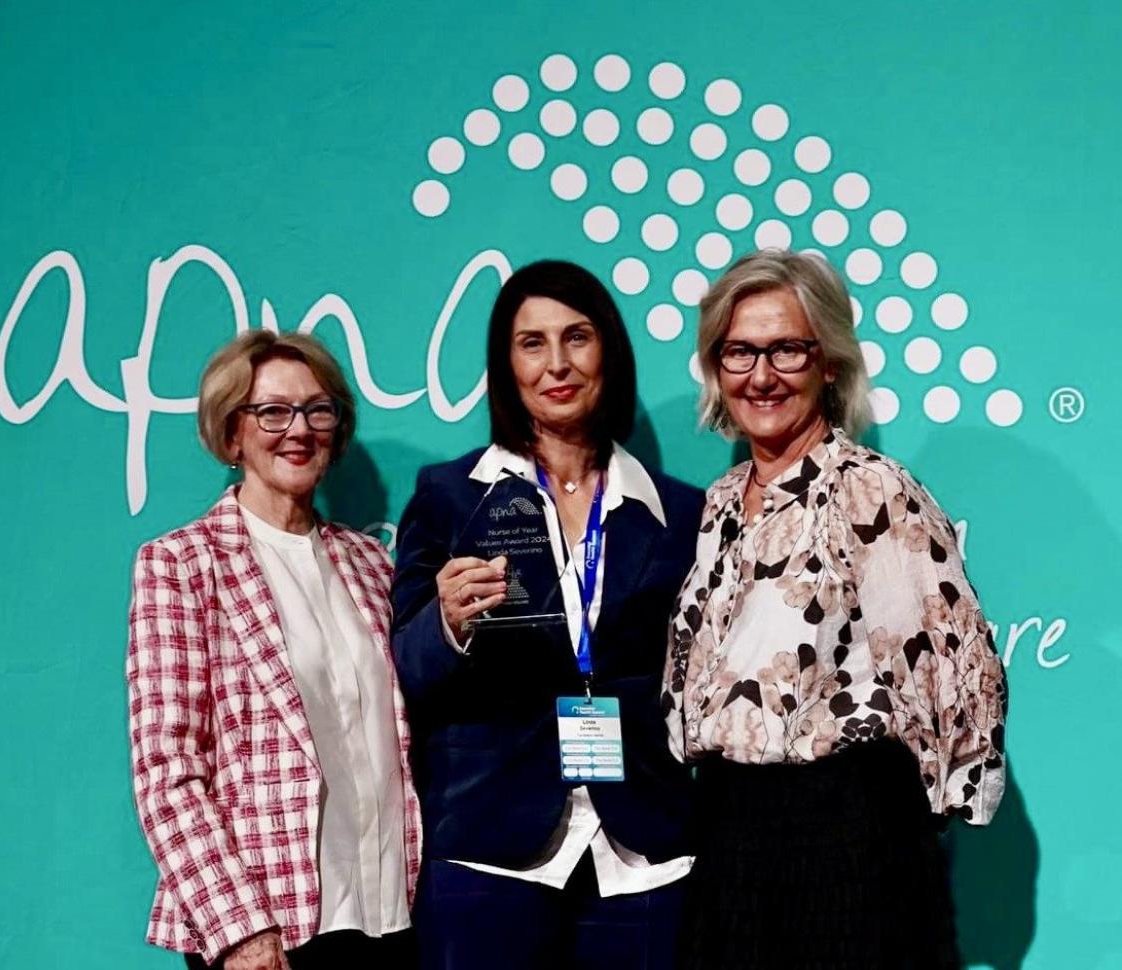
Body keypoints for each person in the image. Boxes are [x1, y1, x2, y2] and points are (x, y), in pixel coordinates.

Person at [665, 250, 1008, 969]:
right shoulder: (721, 504)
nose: (761, 375)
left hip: (848, 836)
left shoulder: (871, 492)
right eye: (739, 352)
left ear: (829, 363)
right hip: (733, 833)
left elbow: (958, 665)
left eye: (787, 348)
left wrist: (907, 825)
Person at [391, 260, 700, 969]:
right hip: (490, 845)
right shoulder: (449, 497)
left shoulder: (680, 511)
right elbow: (407, 668)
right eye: (532, 343)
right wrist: (449, 625)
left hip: (642, 849)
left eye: (577, 337)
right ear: (507, 364)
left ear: (609, 353)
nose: (556, 363)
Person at [126, 331, 421, 969]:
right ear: (233, 434)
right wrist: (238, 929)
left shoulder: (371, 563)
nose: (299, 429)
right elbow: (167, 772)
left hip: (390, 912)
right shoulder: (181, 563)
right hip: (271, 927)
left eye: (318, 410)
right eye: (272, 412)